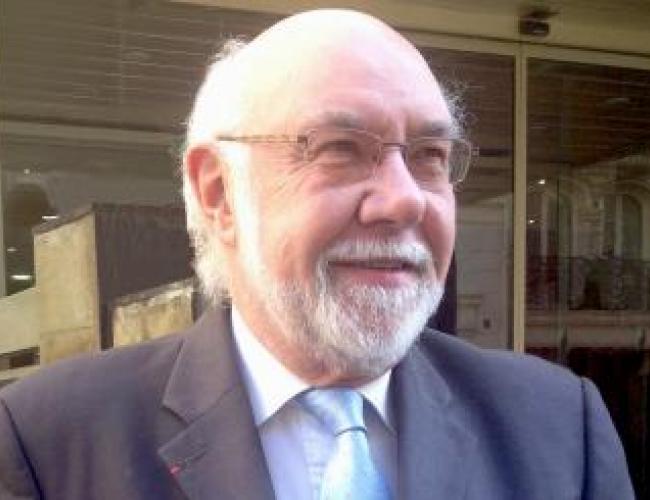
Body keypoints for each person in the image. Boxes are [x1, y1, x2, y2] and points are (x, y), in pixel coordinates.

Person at [0, 9, 634, 500]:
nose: (404, 200)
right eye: (339, 148)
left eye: (429, 157)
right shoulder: (49, 441)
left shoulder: (558, 427)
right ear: (219, 194)